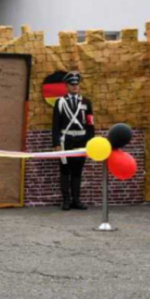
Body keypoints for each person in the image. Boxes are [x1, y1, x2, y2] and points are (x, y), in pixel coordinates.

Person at [52, 71, 95, 211]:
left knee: (77, 172)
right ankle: (66, 200)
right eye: (72, 84)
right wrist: (56, 143)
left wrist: (90, 143)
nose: (75, 87)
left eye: (77, 84)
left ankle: (76, 200)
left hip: (81, 141)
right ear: (66, 86)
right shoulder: (60, 102)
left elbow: (90, 124)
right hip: (66, 141)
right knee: (65, 171)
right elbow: (55, 125)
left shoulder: (86, 102)